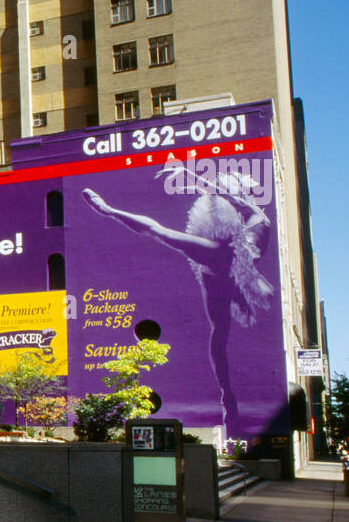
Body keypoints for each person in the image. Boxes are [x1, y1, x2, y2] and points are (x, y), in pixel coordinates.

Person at [81, 164, 274, 437]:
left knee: (223, 321)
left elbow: (157, 228)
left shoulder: (250, 230)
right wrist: (201, 182)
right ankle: (228, 397)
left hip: (228, 260)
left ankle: (109, 211)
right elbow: (157, 228)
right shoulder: (224, 249)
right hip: (219, 266)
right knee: (219, 330)